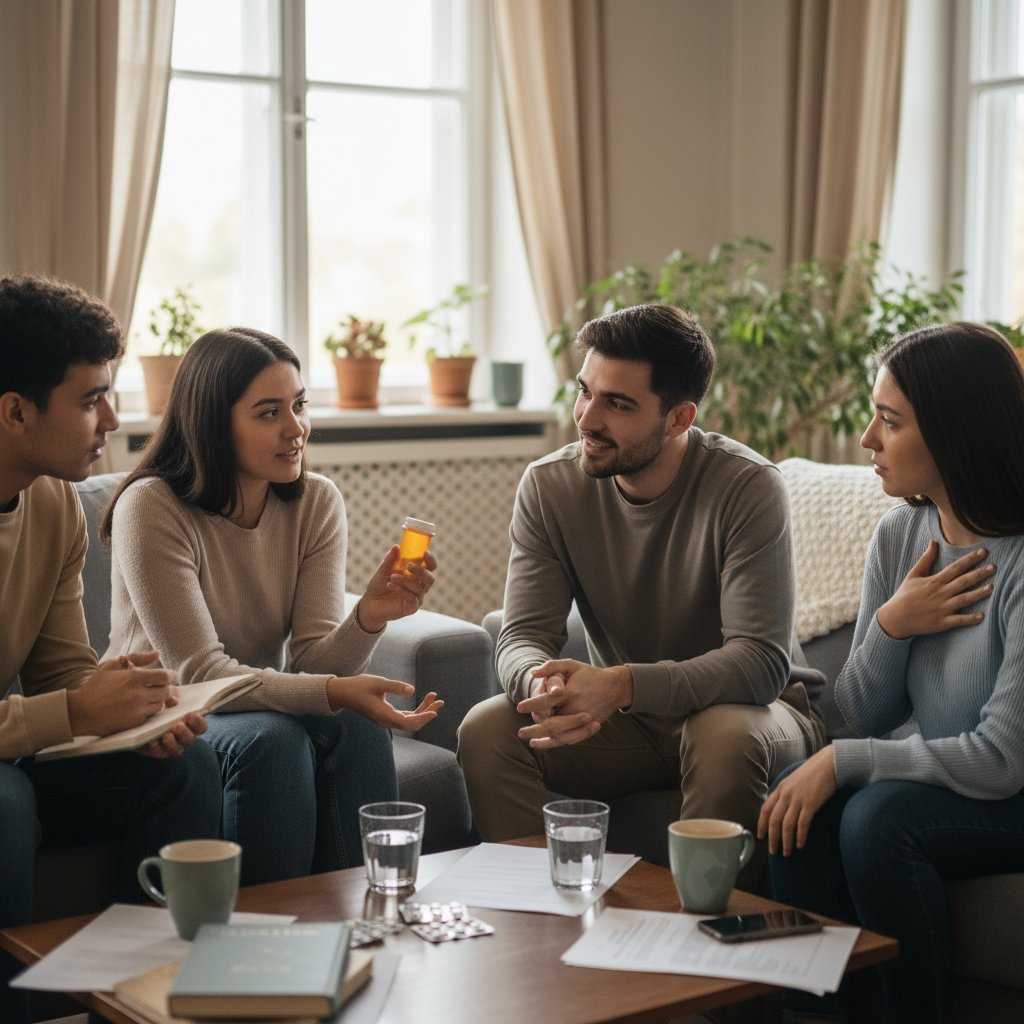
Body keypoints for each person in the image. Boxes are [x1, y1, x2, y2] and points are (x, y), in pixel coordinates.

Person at [457, 303, 825, 888]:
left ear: (679, 418)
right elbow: (522, 634)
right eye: (585, 392)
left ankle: (708, 948)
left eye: (617, 404)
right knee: (488, 729)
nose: (586, 418)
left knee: (721, 733)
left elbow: (760, 665)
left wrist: (621, 685)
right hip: (634, 723)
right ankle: (539, 920)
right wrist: (541, 684)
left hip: (753, 714)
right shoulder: (550, 487)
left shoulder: (748, 487)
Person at [101, 327, 443, 886]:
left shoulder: (315, 501)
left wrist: (369, 618)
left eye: (299, 405)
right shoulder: (152, 507)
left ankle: (365, 923)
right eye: (268, 413)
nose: (296, 429)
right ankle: (261, 947)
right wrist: (334, 692)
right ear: (214, 421)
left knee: (355, 730)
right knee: (273, 740)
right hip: (168, 710)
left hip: (251, 698)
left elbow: (309, 661)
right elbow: (200, 674)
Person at [758, 321, 1024, 1024]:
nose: (868, 440)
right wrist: (890, 626)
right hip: (958, 779)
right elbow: (860, 712)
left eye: (890, 421)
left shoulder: (1021, 561)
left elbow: (1002, 759)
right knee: (797, 799)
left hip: (1014, 788)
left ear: (954, 432)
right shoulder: (901, 534)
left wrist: (844, 762)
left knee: (877, 819)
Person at [0, 275, 223, 1024]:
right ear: (15, 412)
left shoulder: (52, 501)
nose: (114, 419)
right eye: (91, 397)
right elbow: (59, 704)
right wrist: (71, 710)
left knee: (183, 761)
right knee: (3, 801)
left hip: (16, 751)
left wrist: (131, 709)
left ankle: (146, 1004)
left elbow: (60, 668)